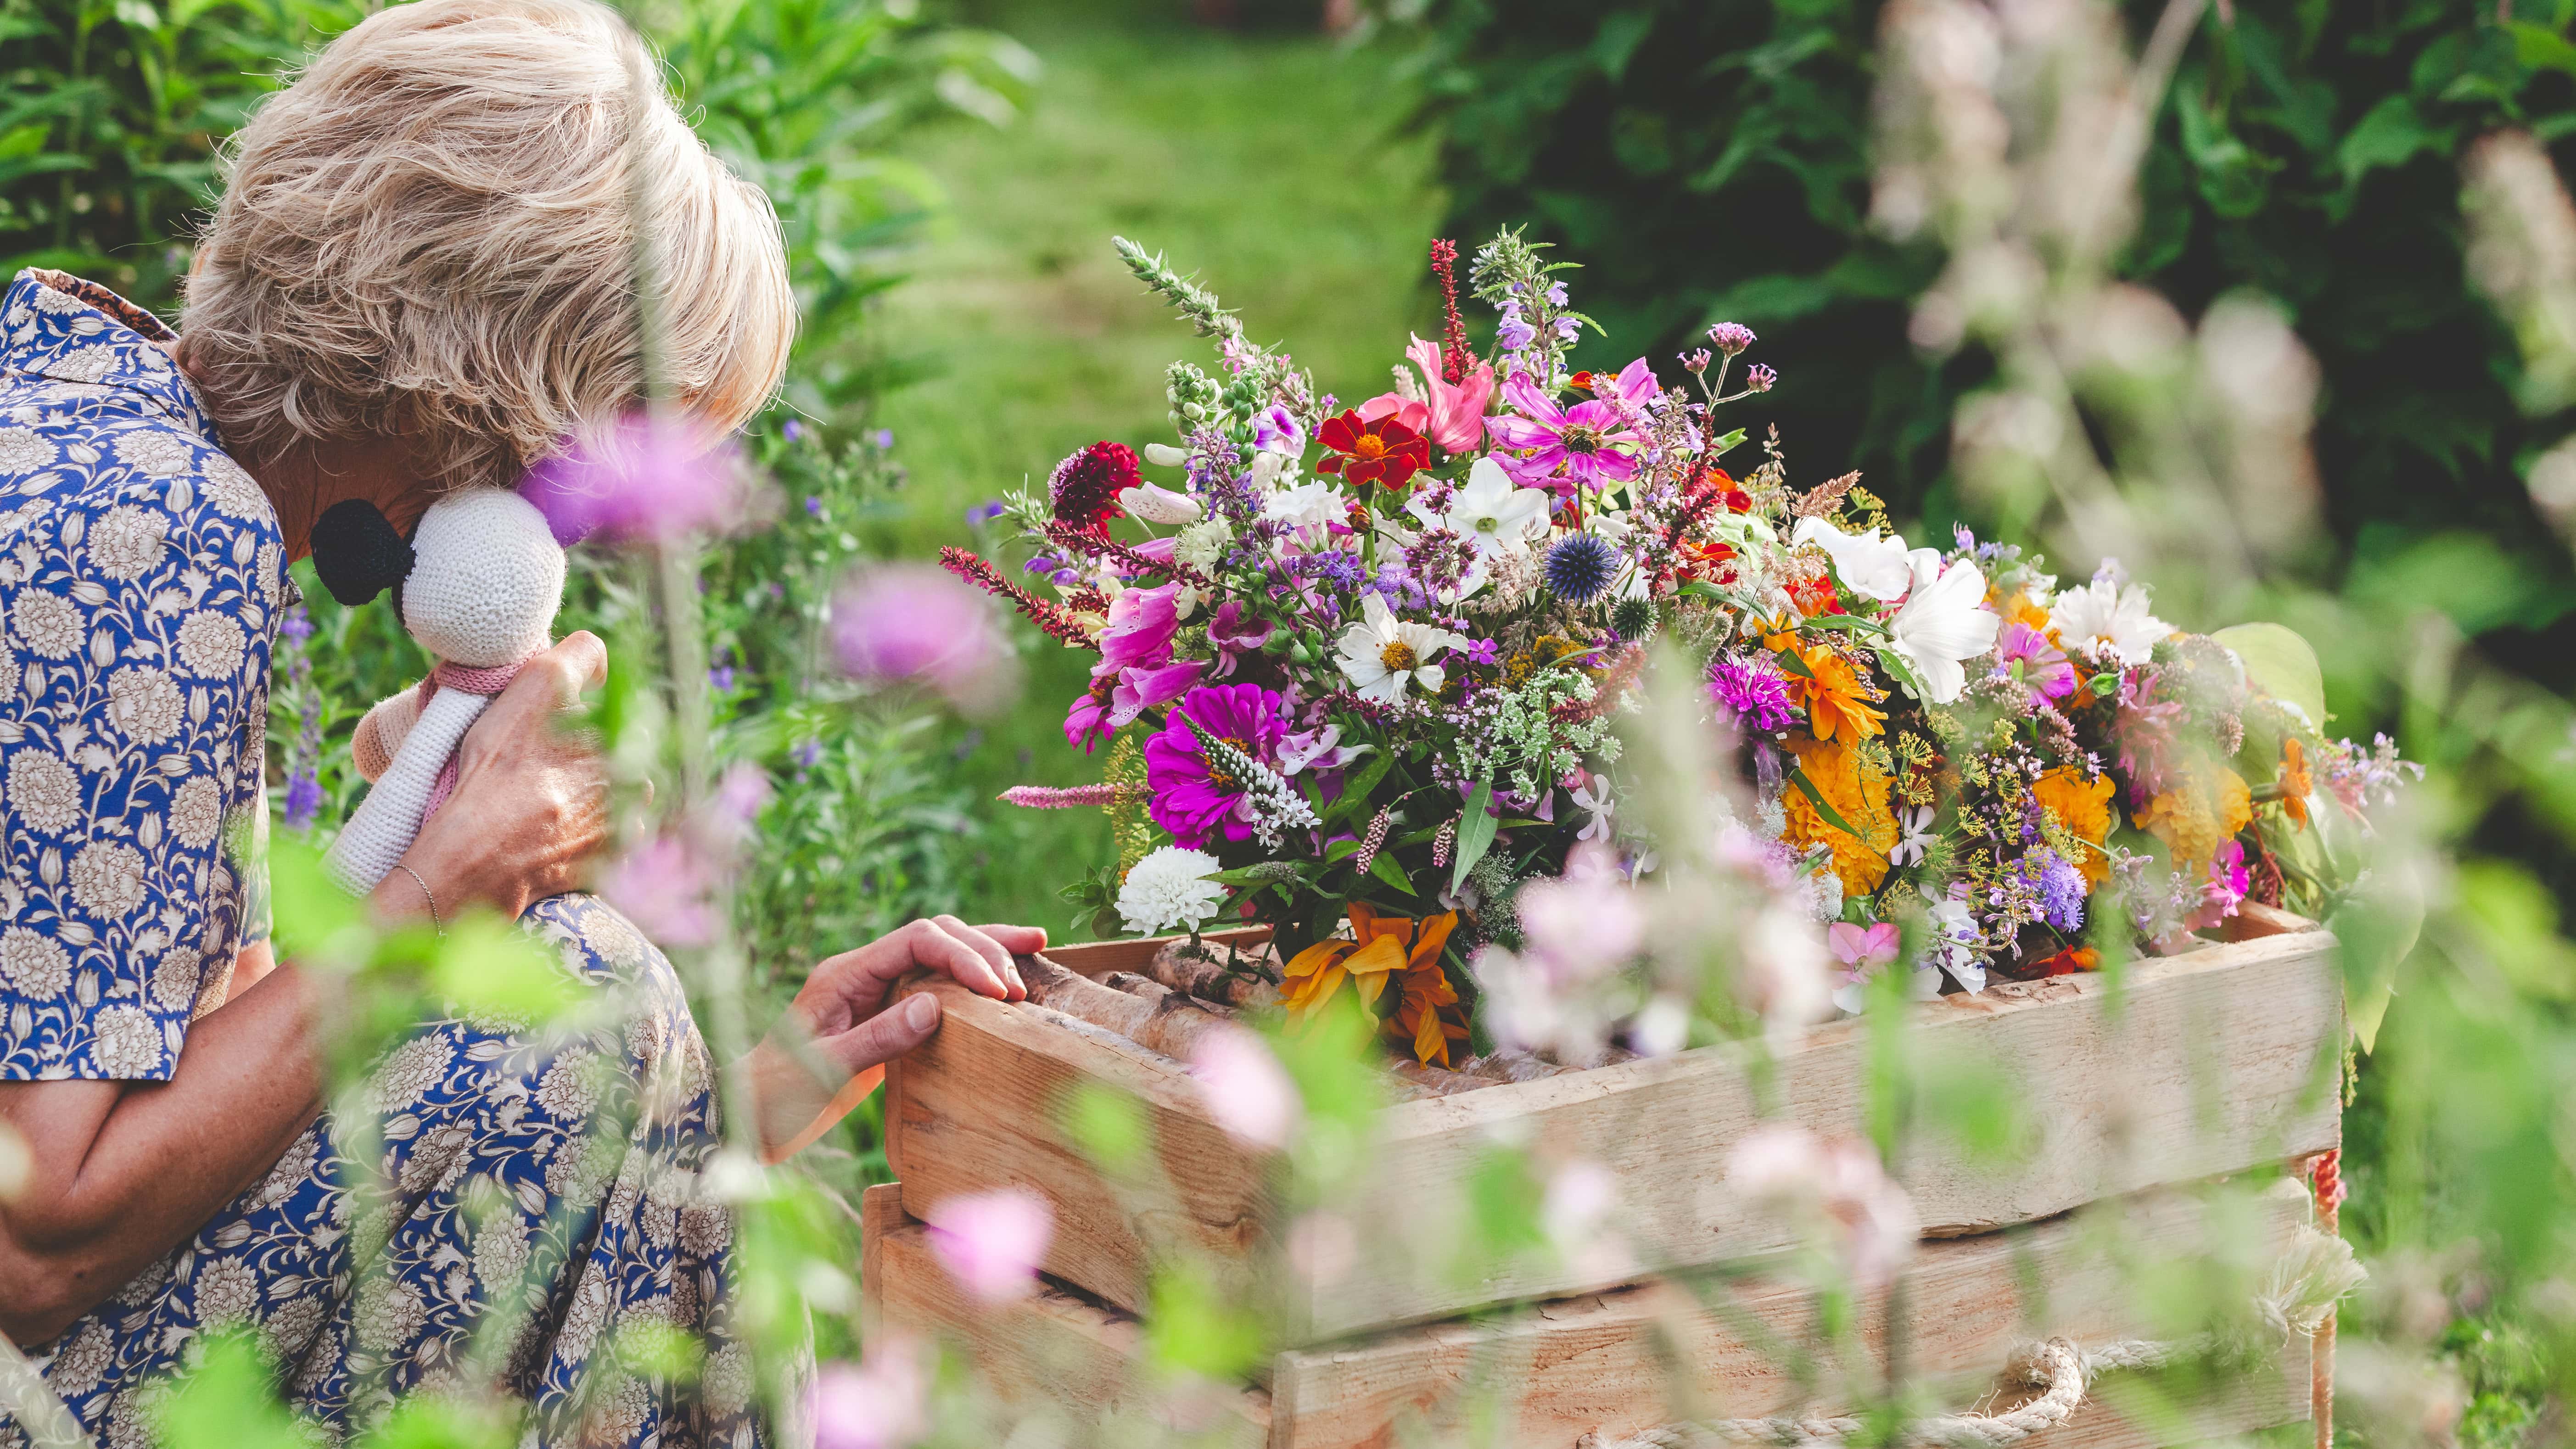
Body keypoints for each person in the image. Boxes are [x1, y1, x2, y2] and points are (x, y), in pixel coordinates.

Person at [0, 2, 1034, 1444]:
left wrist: (725, 1097)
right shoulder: (156, 538)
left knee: (581, 1003)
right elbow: (36, 1239)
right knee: (587, 976)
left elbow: (199, 1104)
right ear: (486, 387)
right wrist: (443, 889)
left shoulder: (93, 409)